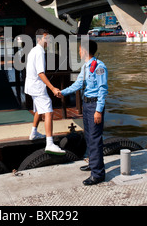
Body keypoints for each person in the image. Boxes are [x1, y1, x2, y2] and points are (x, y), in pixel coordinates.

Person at [56, 39, 108, 185]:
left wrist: (99, 110)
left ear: (85, 50)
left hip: (94, 105)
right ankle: (93, 163)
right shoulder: (86, 67)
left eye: (80, 49)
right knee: (89, 136)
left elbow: (102, 90)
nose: (79, 51)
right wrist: (63, 92)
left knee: (95, 138)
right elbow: (78, 84)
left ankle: (98, 174)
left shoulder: (99, 66)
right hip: (87, 104)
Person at [24, 29, 66, 155]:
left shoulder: (33, 50)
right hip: (37, 87)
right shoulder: (40, 52)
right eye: (46, 38)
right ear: (39, 39)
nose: (48, 40)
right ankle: (49, 143)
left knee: (38, 109)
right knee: (48, 111)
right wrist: (53, 88)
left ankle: (33, 133)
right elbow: (40, 73)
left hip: (31, 86)